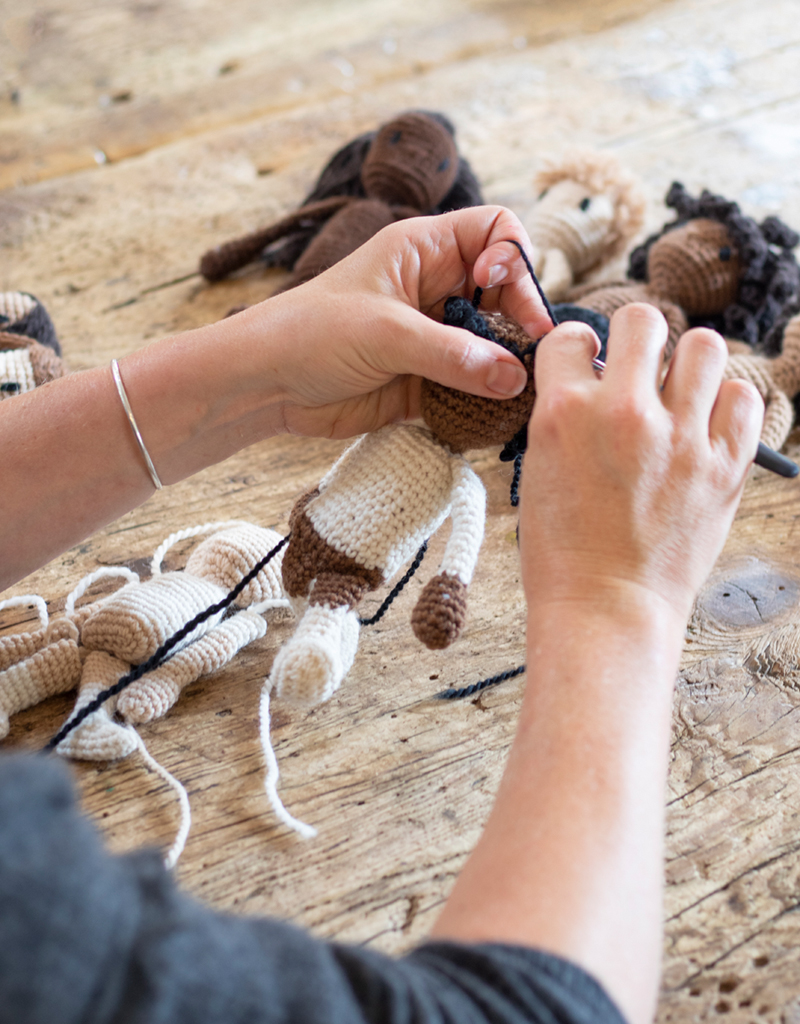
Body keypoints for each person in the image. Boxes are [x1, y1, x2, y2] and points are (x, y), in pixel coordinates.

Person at [0, 205, 763, 1024]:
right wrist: (618, 596)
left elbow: (458, 536)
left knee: (322, 607)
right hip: (311, 544)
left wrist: (257, 372)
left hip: (338, 574)